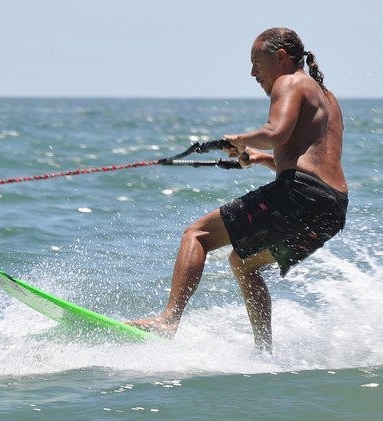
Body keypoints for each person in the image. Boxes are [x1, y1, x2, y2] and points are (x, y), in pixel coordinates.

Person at [127, 27, 349, 353]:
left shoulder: (289, 82)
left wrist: (239, 139)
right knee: (243, 263)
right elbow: (313, 165)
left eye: (257, 62)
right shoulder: (327, 95)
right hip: (331, 209)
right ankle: (264, 352)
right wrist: (262, 159)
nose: (253, 72)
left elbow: (276, 132)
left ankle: (168, 320)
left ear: (281, 58)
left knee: (196, 235)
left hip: (300, 194)